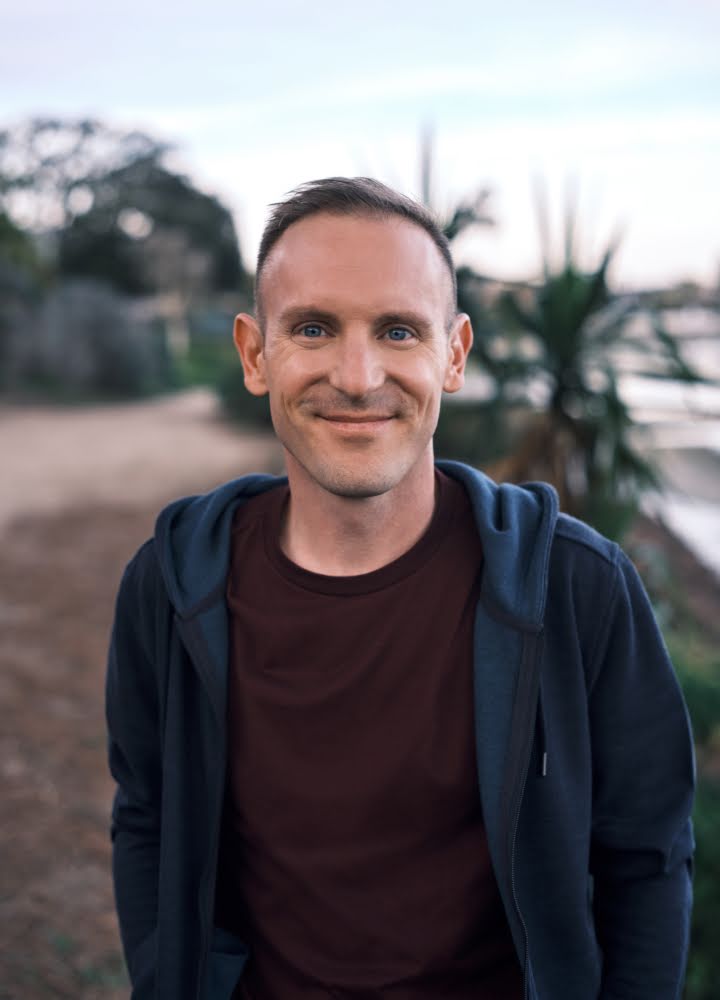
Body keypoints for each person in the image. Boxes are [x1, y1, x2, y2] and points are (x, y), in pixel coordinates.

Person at [106, 177, 695, 1000]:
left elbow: (647, 861)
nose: (357, 376)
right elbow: (148, 819)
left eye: (397, 330)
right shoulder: (173, 584)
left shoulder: (575, 585)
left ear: (452, 356)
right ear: (254, 353)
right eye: (313, 328)